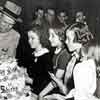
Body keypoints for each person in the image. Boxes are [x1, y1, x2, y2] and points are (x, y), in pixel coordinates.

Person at [44, 24, 99, 100]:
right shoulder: (79, 59)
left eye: (69, 39)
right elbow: (77, 93)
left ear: (79, 42)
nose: (66, 41)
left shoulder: (82, 66)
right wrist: (58, 95)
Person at [39, 23, 71, 99]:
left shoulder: (64, 55)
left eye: (53, 36)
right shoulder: (55, 49)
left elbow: (55, 82)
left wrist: (41, 94)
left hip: (61, 93)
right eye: (49, 35)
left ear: (61, 37)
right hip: (52, 87)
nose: (49, 38)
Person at [27, 25, 53, 95]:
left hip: (41, 93)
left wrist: (30, 81)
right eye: (28, 38)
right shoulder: (33, 54)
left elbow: (46, 81)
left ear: (41, 39)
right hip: (31, 89)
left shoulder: (46, 57)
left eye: (32, 38)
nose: (29, 41)